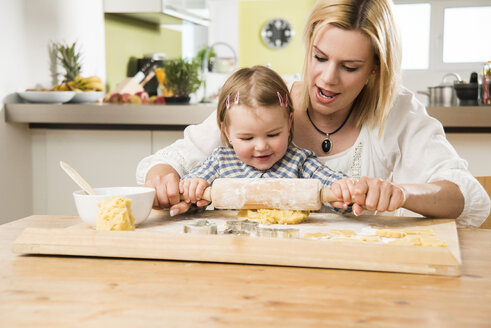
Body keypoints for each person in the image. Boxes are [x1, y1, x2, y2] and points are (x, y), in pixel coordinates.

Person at [137, 0, 490, 227]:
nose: (327, 78)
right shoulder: (268, 102)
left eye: (349, 67)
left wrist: (399, 193)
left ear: (374, 71)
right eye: (320, 58)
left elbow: (465, 195)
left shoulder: (398, 112)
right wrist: (167, 182)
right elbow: (167, 162)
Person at [177, 65, 391, 215]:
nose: (261, 146)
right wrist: (192, 191)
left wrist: (343, 190)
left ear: (289, 123)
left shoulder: (299, 160)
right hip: (234, 246)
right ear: (226, 131)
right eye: (247, 137)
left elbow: (332, 185)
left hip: (290, 247)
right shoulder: (219, 161)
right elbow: (190, 201)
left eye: (273, 134)